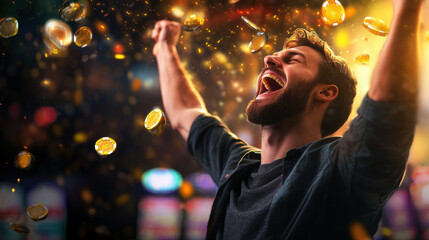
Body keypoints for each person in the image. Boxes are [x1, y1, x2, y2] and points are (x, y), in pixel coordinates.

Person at [150, 0, 424, 238]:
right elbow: (185, 113)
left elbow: (388, 103)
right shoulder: (236, 166)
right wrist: (164, 47)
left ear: (325, 93)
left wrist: (407, 9)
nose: (268, 59)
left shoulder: (340, 170)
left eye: (293, 59)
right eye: (275, 56)